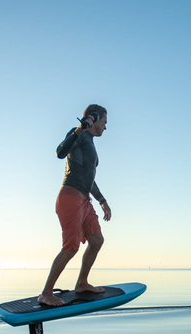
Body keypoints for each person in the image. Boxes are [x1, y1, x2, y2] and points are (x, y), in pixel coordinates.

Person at [39, 105, 112, 307]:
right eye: (104, 122)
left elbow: (90, 178)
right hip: (70, 196)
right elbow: (60, 152)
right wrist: (80, 129)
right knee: (70, 248)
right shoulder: (77, 134)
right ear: (94, 118)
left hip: (84, 198)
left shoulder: (90, 143)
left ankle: (81, 283)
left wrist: (102, 200)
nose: (105, 127)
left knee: (96, 240)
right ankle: (45, 293)